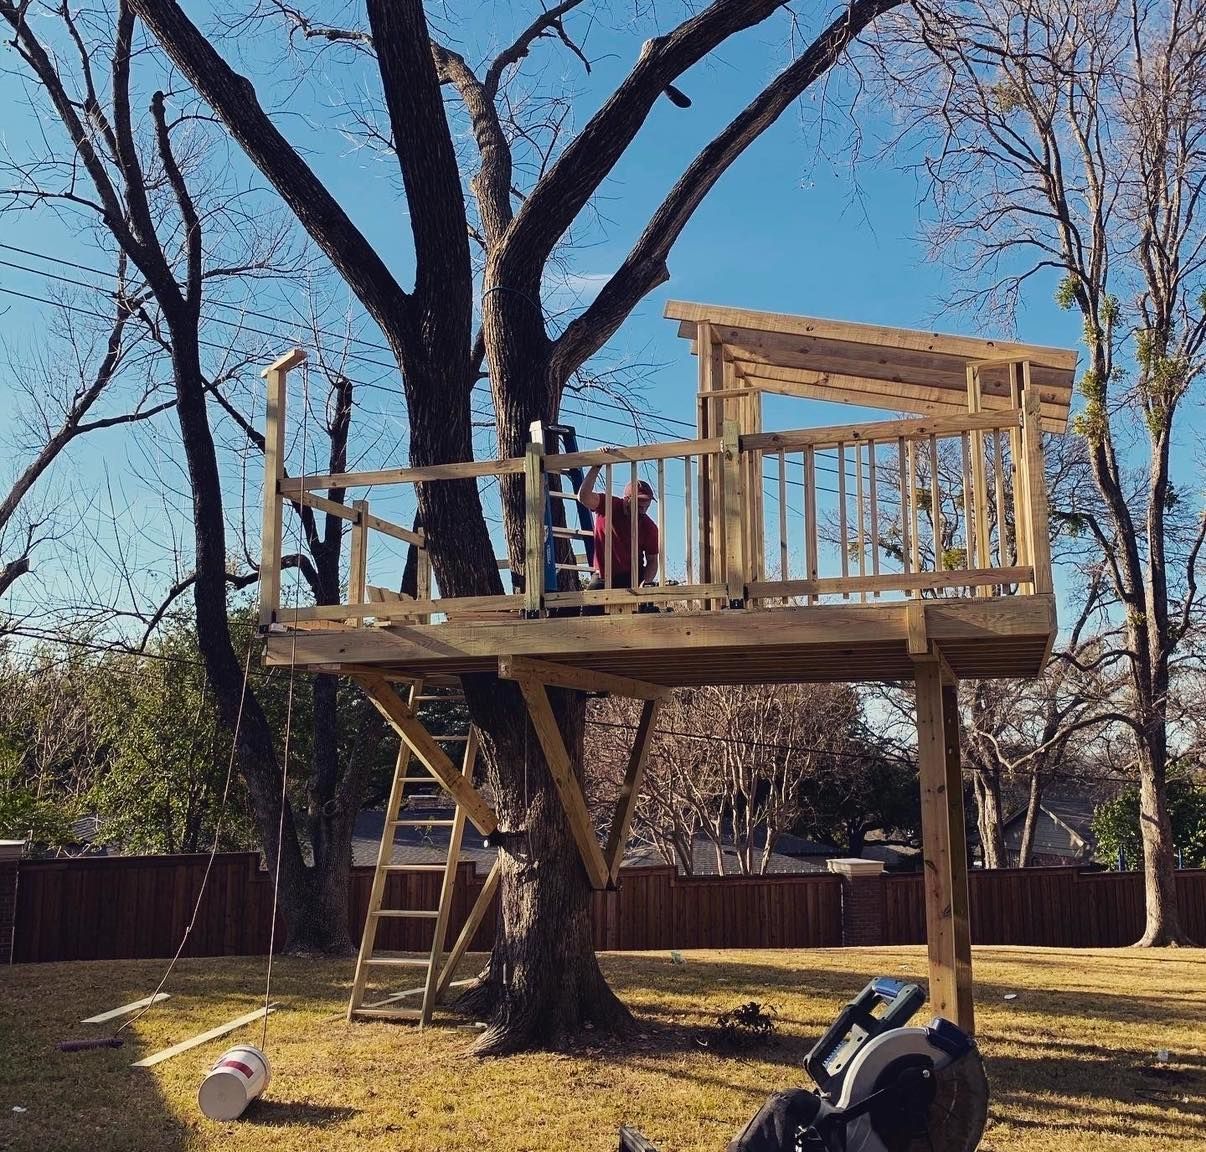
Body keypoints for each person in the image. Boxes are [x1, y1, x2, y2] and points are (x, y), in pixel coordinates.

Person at [576, 449, 660, 591]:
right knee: (590, 610)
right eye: (639, 503)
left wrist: (645, 583)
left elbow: (652, 561)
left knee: (638, 610)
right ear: (627, 500)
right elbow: (583, 497)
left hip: (632, 576)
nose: (644, 508)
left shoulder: (649, 526)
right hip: (603, 576)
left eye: (647, 503)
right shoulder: (608, 505)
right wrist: (597, 465)